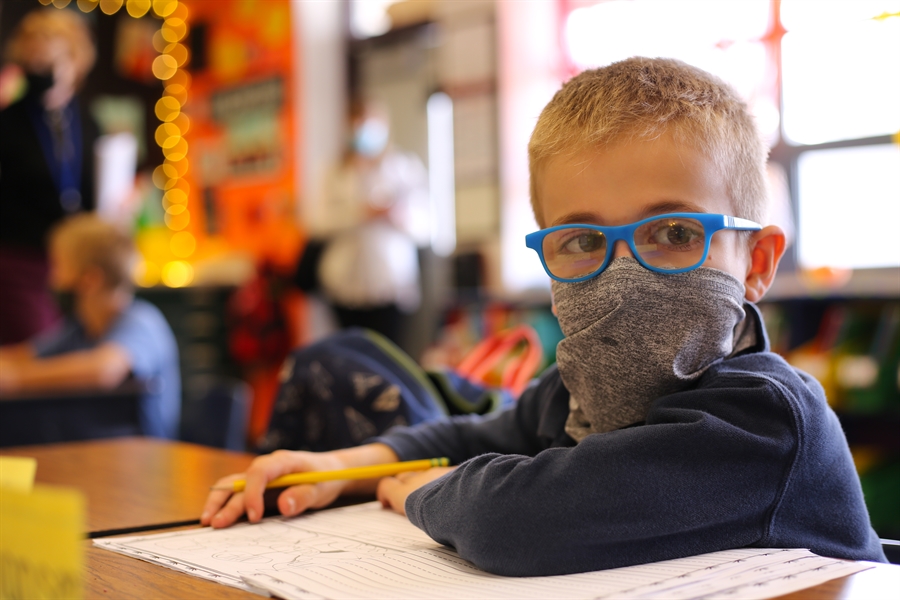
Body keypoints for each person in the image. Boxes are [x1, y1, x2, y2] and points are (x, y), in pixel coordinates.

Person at [201, 58, 886, 575]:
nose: (624, 274)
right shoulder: (581, 388)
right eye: (584, 242)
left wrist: (422, 489)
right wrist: (344, 465)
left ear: (758, 261)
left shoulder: (765, 420)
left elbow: (512, 519)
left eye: (674, 232)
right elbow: (483, 432)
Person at [0, 214, 181, 439]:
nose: (51, 278)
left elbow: (105, 369)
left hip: (144, 458)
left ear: (90, 279)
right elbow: (26, 355)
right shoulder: (80, 328)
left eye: (58, 266)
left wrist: (16, 379)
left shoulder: (141, 321)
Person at [0, 8, 99, 344]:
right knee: (39, 355)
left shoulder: (87, 122)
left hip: (76, 267)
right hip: (21, 265)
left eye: (50, 60)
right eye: (33, 61)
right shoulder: (9, 122)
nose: (41, 70)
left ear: (74, 62)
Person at [297, 98, 429, 346]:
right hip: (343, 287)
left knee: (388, 356)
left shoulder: (403, 168)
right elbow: (315, 222)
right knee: (352, 356)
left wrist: (395, 214)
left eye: (369, 124)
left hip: (391, 287)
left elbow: (425, 227)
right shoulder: (331, 171)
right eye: (356, 125)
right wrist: (360, 212)